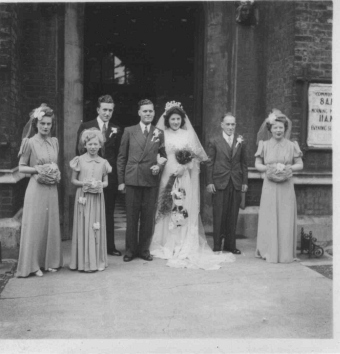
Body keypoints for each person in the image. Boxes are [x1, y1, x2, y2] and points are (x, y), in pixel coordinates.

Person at [150, 102, 235, 270]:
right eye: (172, 119)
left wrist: (184, 167)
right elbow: (157, 154)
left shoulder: (188, 135)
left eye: (178, 119)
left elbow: (196, 158)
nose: (175, 122)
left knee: (183, 204)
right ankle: (167, 242)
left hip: (184, 175)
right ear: (167, 120)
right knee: (167, 205)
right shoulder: (161, 134)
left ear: (182, 120)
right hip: (168, 174)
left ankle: (183, 241)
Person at [117, 99, 167, 262]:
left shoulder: (158, 132)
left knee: (147, 216)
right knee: (132, 216)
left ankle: (144, 250)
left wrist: (159, 167)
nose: (148, 114)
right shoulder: (129, 131)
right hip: (133, 178)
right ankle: (130, 250)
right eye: (145, 111)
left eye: (150, 111)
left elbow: (163, 155)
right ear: (139, 113)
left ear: (154, 113)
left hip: (150, 179)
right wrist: (121, 181)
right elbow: (122, 157)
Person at [16, 104, 62, 277]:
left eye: (49, 124)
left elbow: (54, 163)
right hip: (36, 189)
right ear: (36, 123)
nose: (45, 127)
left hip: (51, 189)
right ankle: (33, 265)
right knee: (36, 226)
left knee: (49, 225)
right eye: (42, 123)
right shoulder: (29, 143)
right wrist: (39, 170)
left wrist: (55, 171)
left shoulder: (54, 141)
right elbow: (21, 168)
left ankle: (49, 262)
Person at [76, 95, 123, 257]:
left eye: (110, 110)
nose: (107, 113)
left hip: (108, 177)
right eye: (104, 109)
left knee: (108, 211)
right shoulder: (86, 126)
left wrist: (117, 179)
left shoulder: (117, 129)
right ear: (98, 110)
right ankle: (89, 247)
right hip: (89, 175)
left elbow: (119, 156)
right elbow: (79, 152)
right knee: (89, 211)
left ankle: (109, 246)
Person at [254, 109, 303, 263]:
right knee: (270, 216)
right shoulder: (264, 145)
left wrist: (288, 168)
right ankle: (269, 251)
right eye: (275, 127)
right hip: (269, 185)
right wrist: (269, 169)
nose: (278, 130)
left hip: (286, 186)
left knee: (285, 217)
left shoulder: (292, 145)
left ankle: (285, 253)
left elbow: (300, 164)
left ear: (285, 129)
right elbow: (257, 164)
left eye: (281, 127)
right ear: (270, 129)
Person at [69, 129, 112, 272]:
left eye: (96, 144)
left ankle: (96, 260)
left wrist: (100, 184)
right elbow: (73, 180)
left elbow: (106, 182)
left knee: (96, 226)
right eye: (90, 144)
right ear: (85, 145)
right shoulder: (79, 160)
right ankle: (82, 262)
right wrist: (84, 183)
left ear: (100, 145)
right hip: (83, 198)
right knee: (84, 226)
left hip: (97, 198)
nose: (93, 147)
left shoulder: (103, 162)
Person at [206, 113, 248, 254]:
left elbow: (244, 163)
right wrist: (210, 182)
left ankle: (230, 245)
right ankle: (217, 245)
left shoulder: (240, 141)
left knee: (233, 214)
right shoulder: (214, 141)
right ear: (222, 125)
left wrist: (244, 182)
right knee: (219, 214)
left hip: (235, 182)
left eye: (233, 124)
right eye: (228, 124)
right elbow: (209, 163)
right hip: (219, 182)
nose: (230, 127)